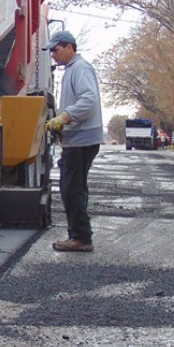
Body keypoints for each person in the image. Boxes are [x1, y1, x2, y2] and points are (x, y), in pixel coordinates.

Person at [43, 30, 103, 252]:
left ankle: (81, 237)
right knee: (73, 187)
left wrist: (66, 117)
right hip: (77, 139)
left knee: (72, 189)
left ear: (69, 47)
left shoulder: (80, 68)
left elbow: (89, 99)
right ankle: (79, 235)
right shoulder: (72, 69)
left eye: (55, 50)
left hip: (82, 139)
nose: (53, 55)